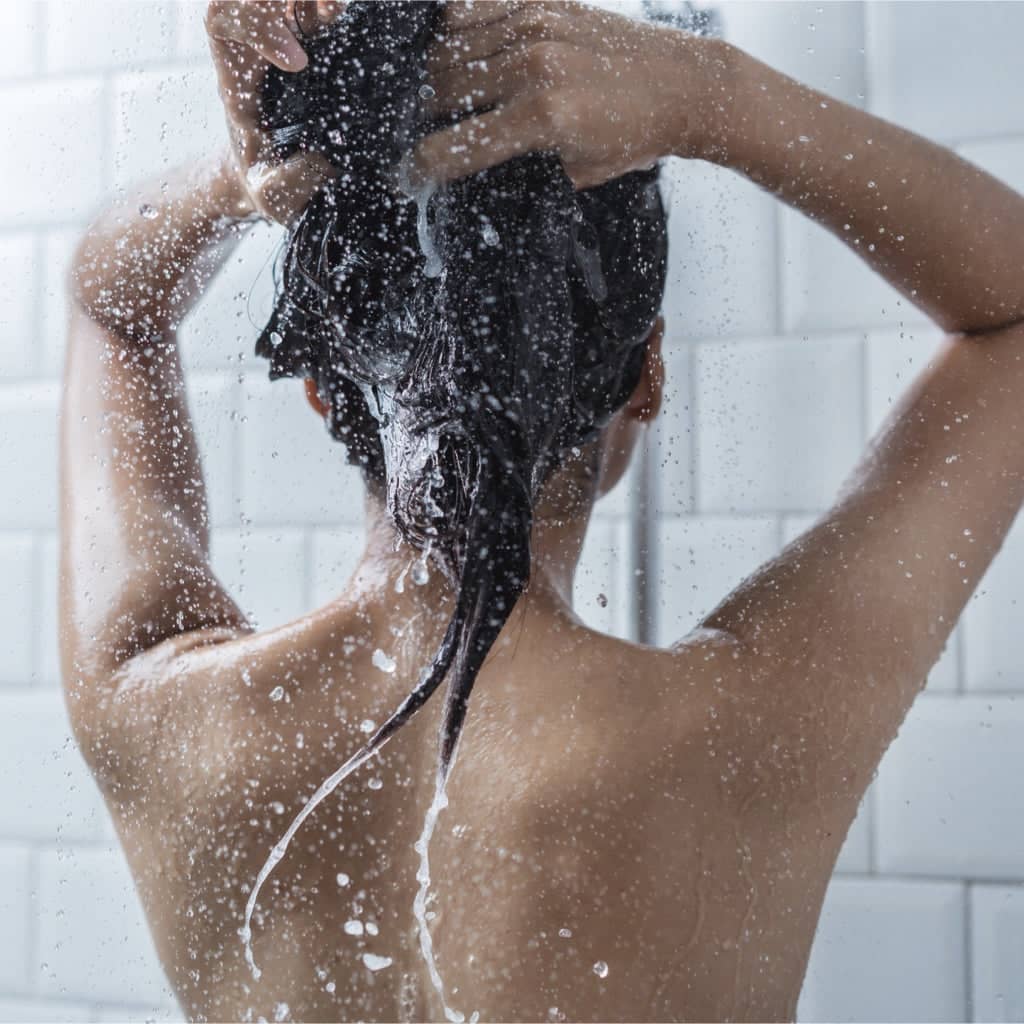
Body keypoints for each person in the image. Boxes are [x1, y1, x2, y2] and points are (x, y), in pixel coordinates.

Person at [59, 1, 1024, 1021]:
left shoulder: (161, 705)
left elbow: (109, 306)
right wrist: (714, 97)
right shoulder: (747, 732)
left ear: (323, 384)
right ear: (644, 374)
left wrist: (245, 171)